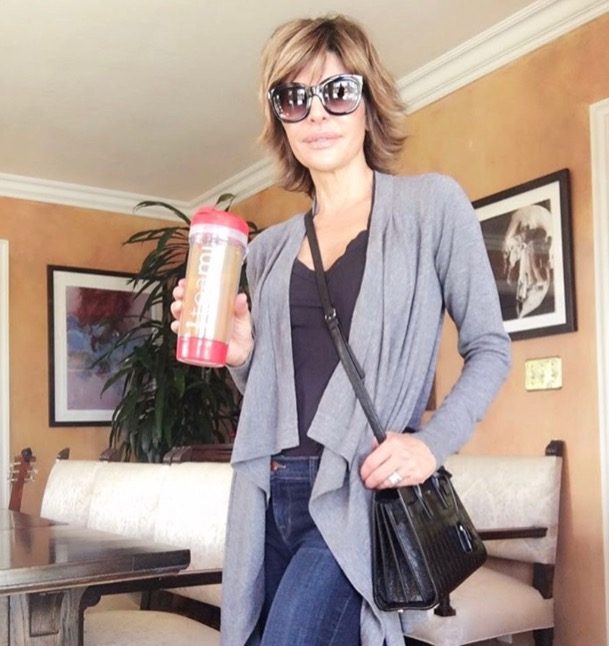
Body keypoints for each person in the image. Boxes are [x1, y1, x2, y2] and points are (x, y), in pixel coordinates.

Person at [170, 14, 511, 645]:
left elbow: (490, 348)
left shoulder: (431, 207)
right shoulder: (267, 250)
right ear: (280, 119)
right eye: (294, 98)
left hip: (356, 492)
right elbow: (273, 392)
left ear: (368, 101)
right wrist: (241, 356)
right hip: (267, 491)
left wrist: (430, 445)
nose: (317, 114)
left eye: (337, 91)